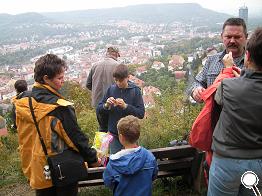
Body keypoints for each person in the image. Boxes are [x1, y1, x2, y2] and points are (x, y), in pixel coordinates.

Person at [13, 54, 101, 196]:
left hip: (37, 167)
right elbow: (76, 138)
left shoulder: (22, 102)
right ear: (46, 78)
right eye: (59, 78)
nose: (63, 81)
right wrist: (93, 159)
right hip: (62, 168)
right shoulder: (59, 108)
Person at [208, 27, 262, 196]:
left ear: (247, 56)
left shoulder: (228, 86)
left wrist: (228, 71)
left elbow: (219, 99)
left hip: (227, 161)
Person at [190, 17, 248, 102]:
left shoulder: (254, 63)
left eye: (237, 37)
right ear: (222, 37)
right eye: (228, 37)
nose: (232, 41)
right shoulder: (212, 60)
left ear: (246, 37)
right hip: (214, 114)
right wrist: (196, 90)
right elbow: (197, 82)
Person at [103, 115, 158, 196]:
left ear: (121, 137)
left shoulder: (113, 163)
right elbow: (153, 175)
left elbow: (108, 182)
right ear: (138, 135)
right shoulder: (149, 157)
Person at [96, 64, 145, 154]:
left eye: (121, 80)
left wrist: (126, 106)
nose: (118, 83)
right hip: (114, 135)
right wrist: (106, 105)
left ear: (128, 77)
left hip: (131, 136)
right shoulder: (111, 89)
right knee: (116, 162)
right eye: (116, 80)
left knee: (132, 162)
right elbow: (98, 109)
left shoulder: (135, 91)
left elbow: (141, 113)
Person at [86, 46, 120, 131]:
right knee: (116, 130)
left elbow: (88, 84)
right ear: (115, 54)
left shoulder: (95, 65)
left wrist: (96, 92)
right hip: (113, 103)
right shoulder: (118, 66)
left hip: (98, 104)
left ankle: (102, 144)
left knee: (102, 129)